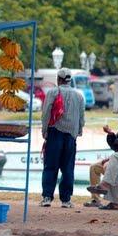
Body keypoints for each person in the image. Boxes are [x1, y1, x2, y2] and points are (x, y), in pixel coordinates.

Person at [40, 68, 85, 208]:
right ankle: (66, 200)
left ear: (58, 79)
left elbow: (46, 113)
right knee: (68, 168)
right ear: (69, 80)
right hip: (71, 136)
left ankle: (47, 197)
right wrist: (78, 132)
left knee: (50, 166)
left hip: (55, 133)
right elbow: (82, 118)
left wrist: (44, 131)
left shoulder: (53, 92)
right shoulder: (79, 96)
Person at [83, 103, 118, 208]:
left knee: (111, 166)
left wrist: (110, 158)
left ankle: (110, 187)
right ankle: (98, 199)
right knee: (94, 167)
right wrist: (111, 134)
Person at [87, 129, 118, 210]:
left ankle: (105, 185)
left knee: (114, 163)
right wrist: (111, 135)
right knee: (115, 165)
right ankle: (114, 203)